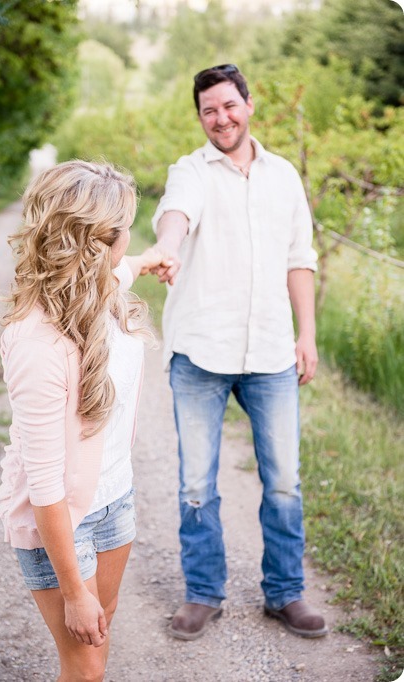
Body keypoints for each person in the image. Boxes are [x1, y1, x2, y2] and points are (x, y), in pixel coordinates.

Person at [152, 64, 327, 641]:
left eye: (229, 106)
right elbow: (176, 215)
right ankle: (203, 593)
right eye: (208, 110)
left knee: (283, 482)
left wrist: (307, 334)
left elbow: (299, 258)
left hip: (273, 351)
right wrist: (168, 247)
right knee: (197, 484)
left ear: (249, 105)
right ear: (200, 116)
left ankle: (286, 593)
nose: (220, 118)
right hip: (201, 352)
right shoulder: (191, 171)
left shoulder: (284, 177)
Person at [0, 160, 169, 681]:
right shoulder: (37, 344)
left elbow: (125, 267)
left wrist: (150, 259)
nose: (128, 241)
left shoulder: (100, 284)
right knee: (87, 666)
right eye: (125, 231)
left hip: (116, 498)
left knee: (104, 623)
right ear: (95, 240)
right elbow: (46, 487)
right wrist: (73, 592)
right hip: (61, 523)